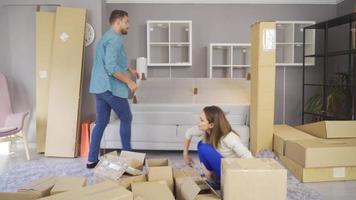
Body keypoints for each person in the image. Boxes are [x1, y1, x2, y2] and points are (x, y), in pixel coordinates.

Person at [87, 10, 139, 169]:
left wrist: (129, 69)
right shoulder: (115, 40)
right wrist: (129, 81)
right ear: (118, 22)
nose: (128, 25)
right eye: (127, 21)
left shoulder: (107, 37)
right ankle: (128, 158)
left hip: (99, 88)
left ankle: (91, 159)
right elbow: (111, 67)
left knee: (101, 122)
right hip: (110, 88)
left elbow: (113, 60)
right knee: (126, 118)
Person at [183, 105, 253, 186]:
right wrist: (185, 155)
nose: (198, 123)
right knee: (201, 144)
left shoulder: (229, 137)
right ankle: (212, 176)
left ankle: (214, 179)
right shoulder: (204, 129)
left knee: (203, 147)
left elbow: (248, 157)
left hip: (231, 172)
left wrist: (247, 178)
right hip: (222, 168)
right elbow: (188, 133)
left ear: (211, 125)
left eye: (202, 120)